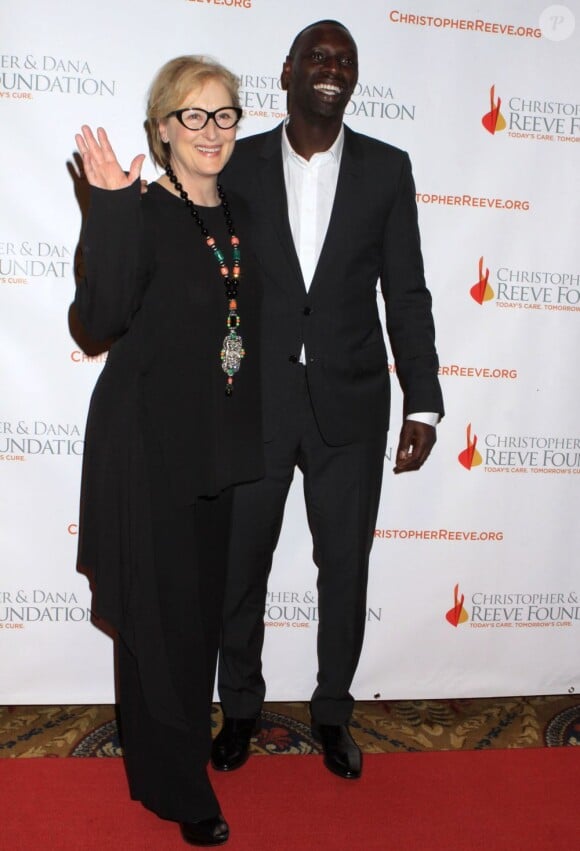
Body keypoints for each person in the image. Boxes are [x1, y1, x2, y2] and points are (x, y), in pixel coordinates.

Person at [211, 20, 444, 781]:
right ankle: (239, 705)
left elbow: (406, 293)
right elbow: (206, 284)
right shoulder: (236, 165)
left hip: (350, 405)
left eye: (344, 60)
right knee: (241, 565)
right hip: (254, 403)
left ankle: (334, 712)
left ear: (353, 78)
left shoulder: (385, 169)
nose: (330, 69)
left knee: (344, 568)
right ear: (286, 71)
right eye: (318, 55)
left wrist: (424, 402)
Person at [74, 55, 262, 846]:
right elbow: (98, 317)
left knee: (196, 624)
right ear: (162, 129)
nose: (210, 131)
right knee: (161, 622)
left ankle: (168, 756)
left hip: (217, 451)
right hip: (147, 449)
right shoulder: (143, 210)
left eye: (223, 114)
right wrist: (111, 206)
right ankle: (181, 787)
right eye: (192, 115)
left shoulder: (246, 214)